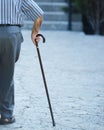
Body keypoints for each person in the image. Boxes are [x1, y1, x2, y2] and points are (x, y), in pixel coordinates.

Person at [0, 0, 44, 125]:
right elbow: (38, 14)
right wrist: (34, 33)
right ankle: (6, 115)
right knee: (6, 76)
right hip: (10, 34)